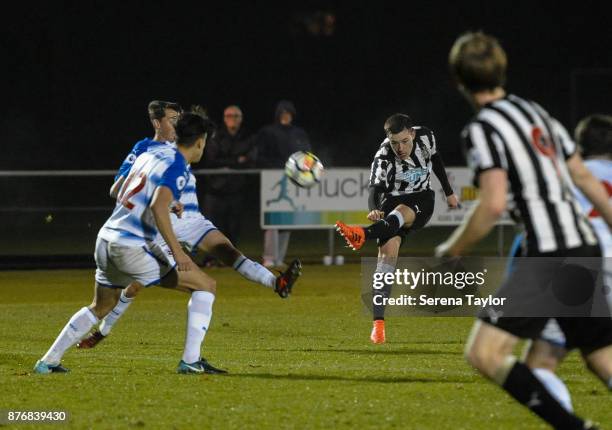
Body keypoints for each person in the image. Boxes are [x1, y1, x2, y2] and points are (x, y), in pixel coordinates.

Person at [435, 31, 612, 428]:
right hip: (583, 245)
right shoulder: (536, 112)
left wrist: (453, 246)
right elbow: (582, 175)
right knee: (601, 355)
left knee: (485, 353)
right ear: (502, 70)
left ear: (458, 80)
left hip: (549, 256)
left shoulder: (482, 129)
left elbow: (493, 202)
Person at [76, 102, 302, 350]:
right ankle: (103, 331)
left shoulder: (183, 146)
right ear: (157, 123)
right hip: (165, 222)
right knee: (134, 285)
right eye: (171, 119)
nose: (175, 123)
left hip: (192, 218)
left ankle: (276, 283)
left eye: (178, 119)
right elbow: (123, 187)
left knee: (228, 250)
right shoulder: (146, 148)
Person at [35, 113, 227, 374]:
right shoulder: (179, 166)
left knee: (101, 306)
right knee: (206, 285)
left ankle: (48, 362)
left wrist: (168, 202)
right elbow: (158, 207)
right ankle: (191, 361)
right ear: (200, 142)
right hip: (132, 246)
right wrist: (179, 251)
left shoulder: (150, 154)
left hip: (106, 239)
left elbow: (125, 189)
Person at [335, 113, 459, 344]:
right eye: (394, 143)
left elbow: (437, 160)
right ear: (388, 140)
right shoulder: (383, 156)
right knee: (385, 260)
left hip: (423, 199)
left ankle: (362, 234)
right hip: (392, 204)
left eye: (404, 141)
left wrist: (448, 192)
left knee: (401, 211)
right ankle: (378, 325)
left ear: (412, 133)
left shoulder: (426, 137)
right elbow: (374, 191)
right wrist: (373, 210)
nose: (400, 148)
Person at [522, 114, 612, 413]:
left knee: (541, 364)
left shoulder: (566, 176)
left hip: (580, 268)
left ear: (578, 146)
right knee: (600, 356)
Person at [255, 100, 311, 268]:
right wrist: (281, 166)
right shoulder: (267, 132)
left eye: (288, 113)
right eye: (282, 113)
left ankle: (279, 258)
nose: (285, 116)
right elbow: (261, 156)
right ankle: (269, 257)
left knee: (287, 220)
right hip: (273, 178)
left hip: (294, 180)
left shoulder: (299, 133)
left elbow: (307, 154)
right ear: (278, 114)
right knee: (273, 220)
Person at [203, 105, 253, 246]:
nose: (232, 119)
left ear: (241, 119)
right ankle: (211, 259)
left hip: (237, 189)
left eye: (236, 116)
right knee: (214, 227)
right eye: (229, 116)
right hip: (215, 189)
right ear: (224, 119)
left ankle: (231, 258)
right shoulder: (215, 135)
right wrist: (237, 160)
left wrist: (228, 162)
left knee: (234, 227)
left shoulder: (247, 136)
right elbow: (211, 160)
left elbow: (250, 159)